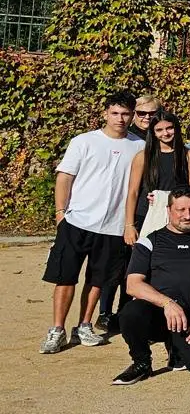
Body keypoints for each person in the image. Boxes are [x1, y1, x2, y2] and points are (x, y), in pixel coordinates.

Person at [41, 92, 144, 353]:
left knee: (98, 280)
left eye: (125, 114)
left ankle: (84, 325)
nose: (120, 119)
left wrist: (128, 223)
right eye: (115, 113)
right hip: (77, 221)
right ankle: (57, 329)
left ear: (132, 116)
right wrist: (60, 213)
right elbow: (65, 177)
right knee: (65, 278)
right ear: (105, 113)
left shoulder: (139, 146)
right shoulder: (84, 141)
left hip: (113, 227)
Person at [111, 188, 190, 385]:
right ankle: (141, 362)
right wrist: (167, 304)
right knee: (130, 312)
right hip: (160, 315)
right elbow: (133, 285)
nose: (187, 215)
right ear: (168, 210)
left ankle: (176, 345)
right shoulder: (150, 241)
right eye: (181, 209)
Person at [124, 109, 190, 245]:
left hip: (179, 217)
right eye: (159, 130)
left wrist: (165, 196)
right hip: (145, 215)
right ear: (153, 132)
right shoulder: (142, 157)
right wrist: (129, 225)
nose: (165, 133)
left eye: (169, 128)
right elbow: (133, 192)